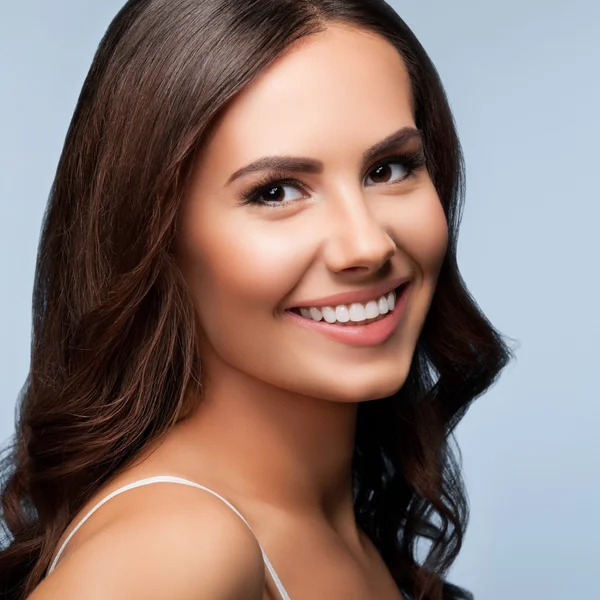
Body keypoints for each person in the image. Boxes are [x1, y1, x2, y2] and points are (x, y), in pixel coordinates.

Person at [0, 1, 513, 599]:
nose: (368, 245)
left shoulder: (336, 528)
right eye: (276, 192)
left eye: (389, 169)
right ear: (153, 235)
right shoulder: (175, 548)